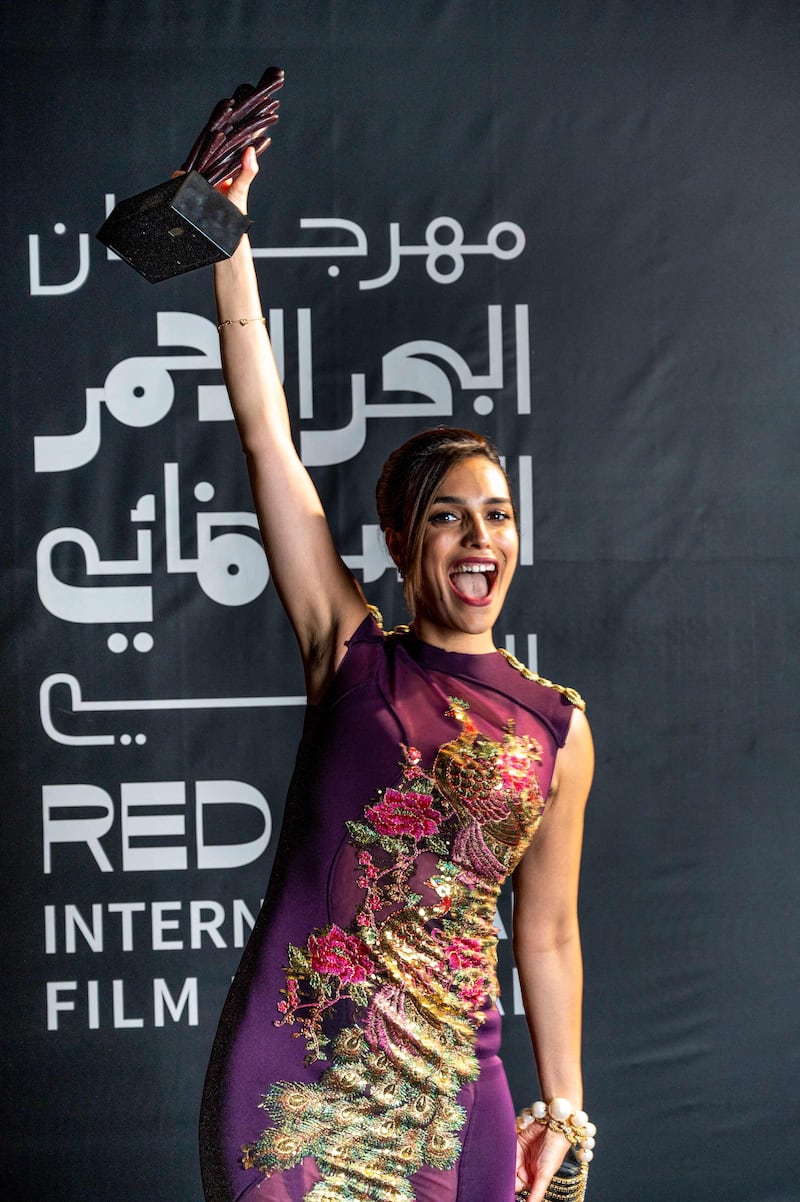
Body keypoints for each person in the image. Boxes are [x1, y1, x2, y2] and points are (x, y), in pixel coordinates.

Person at [199, 146, 595, 1202]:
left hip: (458, 1097)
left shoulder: (554, 726)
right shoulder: (348, 650)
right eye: (448, 515)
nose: (479, 538)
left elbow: (546, 931)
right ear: (396, 537)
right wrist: (226, 240)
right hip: (299, 1075)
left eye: (498, 514)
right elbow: (265, 439)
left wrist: (562, 1106)